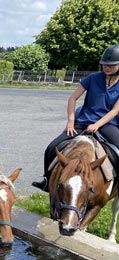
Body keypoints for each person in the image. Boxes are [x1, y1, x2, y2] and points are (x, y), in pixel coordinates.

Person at [32, 44, 119, 191]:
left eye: (111, 65)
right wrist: (71, 122)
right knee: (51, 147)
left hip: (107, 124)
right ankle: (47, 180)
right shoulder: (92, 78)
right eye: (104, 64)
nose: (106, 67)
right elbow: (72, 98)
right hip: (83, 121)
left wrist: (97, 124)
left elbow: (115, 110)